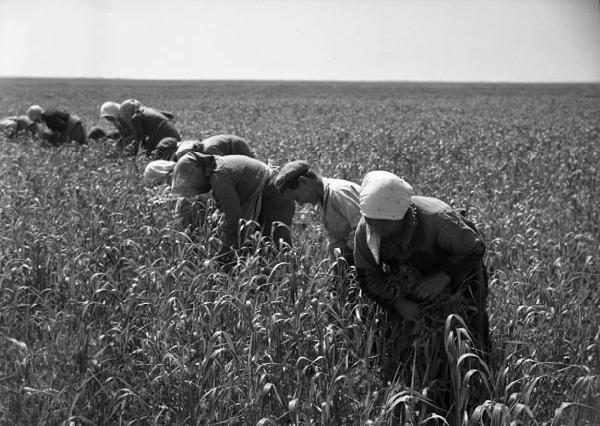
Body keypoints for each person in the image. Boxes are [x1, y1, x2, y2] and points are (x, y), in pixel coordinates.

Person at [353, 170, 491, 416]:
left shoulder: (437, 219)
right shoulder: (367, 229)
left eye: (384, 222)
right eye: (372, 220)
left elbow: (475, 249)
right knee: (414, 338)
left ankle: (476, 388)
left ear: (403, 214)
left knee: (471, 329)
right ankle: (420, 391)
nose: (377, 227)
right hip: (413, 279)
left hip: (459, 273)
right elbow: (367, 276)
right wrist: (398, 303)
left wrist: (442, 278)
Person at [171, 152, 295, 256]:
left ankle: (287, 281)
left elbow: (233, 217)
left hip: (274, 196)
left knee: (274, 249)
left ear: (198, 169)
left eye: (192, 179)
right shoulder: (217, 169)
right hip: (269, 194)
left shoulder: (219, 176)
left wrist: (227, 251)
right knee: (263, 247)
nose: (193, 184)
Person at [274, 160, 361, 264]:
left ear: (303, 181)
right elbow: (336, 240)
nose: (301, 203)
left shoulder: (338, 193)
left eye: (297, 198)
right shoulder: (323, 198)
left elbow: (363, 230)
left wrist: (346, 253)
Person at [154, 134, 255, 162]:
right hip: (234, 143)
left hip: (236, 146)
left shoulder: (208, 150)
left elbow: (225, 165)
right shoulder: (186, 145)